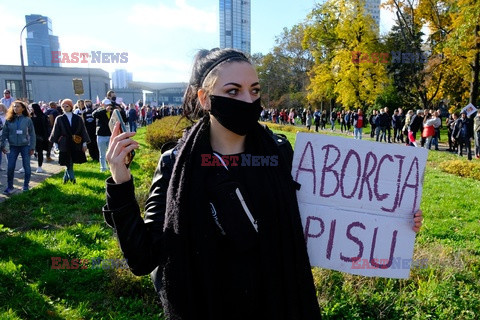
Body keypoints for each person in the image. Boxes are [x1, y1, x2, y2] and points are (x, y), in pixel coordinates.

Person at [103, 48, 423, 320]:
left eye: (254, 90)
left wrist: (394, 218)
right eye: (233, 92)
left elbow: (323, 216)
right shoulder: (175, 164)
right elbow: (143, 258)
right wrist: (120, 181)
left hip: (276, 304)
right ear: (205, 98)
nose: (247, 100)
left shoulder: (279, 151)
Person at [49, 99, 90, 183]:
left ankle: (65, 179)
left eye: (66, 106)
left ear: (71, 106)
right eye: (63, 106)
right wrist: (56, 144)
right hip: (64, 142)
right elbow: (56, 131)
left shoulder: (78, 118)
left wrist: (84, 143)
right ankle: (72, 178)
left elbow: (83, 130)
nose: (64, 108)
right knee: (67, 160)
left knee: (71, 160)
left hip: (76, 142)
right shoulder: (59, 118)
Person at [0, 100, 36, 194]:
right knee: (10, 167)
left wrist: (32, 147)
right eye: (14, 106)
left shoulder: (27, 119)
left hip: (25, 146)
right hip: (12, 146)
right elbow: (4, 134)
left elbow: (32, 134)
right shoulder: (9, 120)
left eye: (18, 106)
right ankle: (10, 186)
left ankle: (26, 186)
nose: (16, 108)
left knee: (26, 167)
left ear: (23, 108)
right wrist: (3, 145)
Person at [92, 99, 113, 172]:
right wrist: (105, 110)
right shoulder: (99, 111)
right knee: (102, 153)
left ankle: (112, 167)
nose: (108, 106)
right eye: (106, 105)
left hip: (110, 135)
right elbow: (94, 114)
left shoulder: (112, 111)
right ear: (102, 105)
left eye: (109, 105)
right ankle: (103, 168)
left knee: (111, 152)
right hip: (101, 135)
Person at [30, 103, 49, 173]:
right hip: (30, 136)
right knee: (32, 151)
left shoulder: (42, 116)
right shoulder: (30, 116)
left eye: (31, 108)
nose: (30, 109)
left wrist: (45, 137)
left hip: (40, 137)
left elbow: (46, 127)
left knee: (39, 151)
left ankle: (39, 166)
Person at [0, 103, 7, 170]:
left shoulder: (7, 116)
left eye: (0, 107)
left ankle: (10, 166)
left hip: (6, 136)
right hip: (0, 135)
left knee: (7, 151)